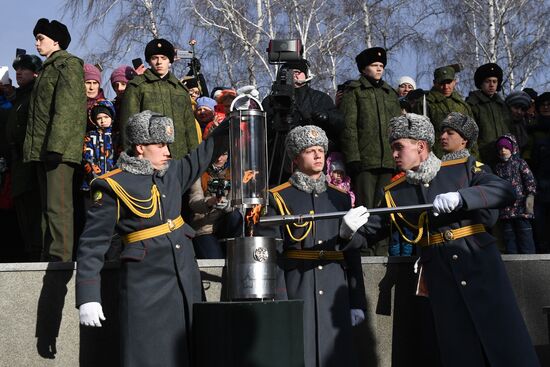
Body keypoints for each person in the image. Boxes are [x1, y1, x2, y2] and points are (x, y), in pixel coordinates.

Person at [360, 113, 540, 367]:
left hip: (479, 264)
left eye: (399, 147)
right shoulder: (395, 192)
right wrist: (349, 229)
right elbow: (370, 231)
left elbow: (505, 190)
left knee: (505, 341)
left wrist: (462, 197)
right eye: (392, 149)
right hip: (440, 275)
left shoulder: (463, 168)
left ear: (421, 146)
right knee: (459, 348)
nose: (394, 155)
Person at [76, 110, 228, 367]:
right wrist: (88, 295)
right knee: (150, 355)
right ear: (140, 147)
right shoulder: (111, 185)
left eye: (168, 145)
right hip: (146, 287)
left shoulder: (173, 172)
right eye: (160, 145)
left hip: (185, 280)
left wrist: (236, 116)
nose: (168, 151)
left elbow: (207, 151)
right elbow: (92, 244)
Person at [257, 125, 368, 367]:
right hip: (298, 284)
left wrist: (357, 299)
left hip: (334, 285)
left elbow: (354, 254)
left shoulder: (339, 197)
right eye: (310, 151)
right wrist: (280, 300)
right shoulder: (278, 197)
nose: (318, 155)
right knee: (300, 354)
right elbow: (270, 255)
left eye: (321, 150)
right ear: (296, 158)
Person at [23, 18, 87, 262]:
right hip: (43, 149)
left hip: (57, 151)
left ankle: (60, 262)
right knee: (47, 210)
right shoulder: (48, 68)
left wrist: (57, 147)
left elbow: (67, 109)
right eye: (36, 39)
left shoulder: (67, 66)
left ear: (56, 41)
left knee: (58, 208)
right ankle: (47, 259)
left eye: (41, 38)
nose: (37, 43)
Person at [339, 47, 401, 255]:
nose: (379, 69)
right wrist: (353, 157)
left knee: (384, 208)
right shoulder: (354, 91)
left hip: (388, 161)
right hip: (365, 160)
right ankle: (365, 251)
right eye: (375, 66)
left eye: (382, 66)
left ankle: (382, 251)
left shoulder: (389, 93)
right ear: (364, 69)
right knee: (364, 208)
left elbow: (397, 128)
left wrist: (398, 156)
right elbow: (349, 127)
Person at [263, 59, 344, 185]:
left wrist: (327, 117)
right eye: (290, 72)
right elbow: (262, 131)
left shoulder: (320, 98)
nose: (294, 75)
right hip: (278, 159)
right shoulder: (270, 101)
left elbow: (340, 125)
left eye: (298, 72)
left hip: (311, 158)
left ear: (306, 75)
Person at [119, 38, 199, 159]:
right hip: (149, 157)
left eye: (163, 58)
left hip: (179, 158)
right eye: (154, 58)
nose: (159, 62)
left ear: (170, 61)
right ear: (149, 61)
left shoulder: (180, 90)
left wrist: (195, 159)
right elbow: (128, 125)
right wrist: (132, 157)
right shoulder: (137, 86)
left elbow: (190, 128)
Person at [4, 54, 43, 261]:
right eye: (17, 69)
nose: (19, 72)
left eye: (24, 69)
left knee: (33, 213)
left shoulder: (35, 95)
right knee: (23, 215)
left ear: (36, 72)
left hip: (31, 164)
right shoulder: (20, 97)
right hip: (18, 163)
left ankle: (36, 254)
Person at [188, 150, 242, 258]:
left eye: (223, 154)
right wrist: (209, 202)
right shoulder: (199, 172)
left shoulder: (236, 173)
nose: (219, 159)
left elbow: (239, 203)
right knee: (214, 261)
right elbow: (194, 201)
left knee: (235, 216)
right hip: (205, 227)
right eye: (216, 154)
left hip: (227, 225)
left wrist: (227, 206)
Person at [413, 65, 472, 157]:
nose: (446, 87)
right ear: (434, 83)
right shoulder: (425, 104)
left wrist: (474, 157)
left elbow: (470, 133)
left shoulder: (462, 105)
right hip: (436, 158)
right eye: (441, 83)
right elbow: (419, 135)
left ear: (454, 82)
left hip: (462, 158)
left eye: (449, 82)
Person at [494, 134, 536, 254]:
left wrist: (530, 195)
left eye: (506, 148)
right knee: (509, 238)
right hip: (506, 209)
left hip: (522, 208)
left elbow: (529, 179)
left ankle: (529, 261)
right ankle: (513, 264)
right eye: (500, 148)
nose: (503, 151)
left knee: (525, 234)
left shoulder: (520, 163)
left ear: (513, 149)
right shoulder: (497, 168)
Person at [466, 63, 512, 168]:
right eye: (488, 81)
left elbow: (510, 131)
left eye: (494, 81)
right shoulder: (473, 104)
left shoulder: (503, 105)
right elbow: (470, 135)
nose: (491, 85)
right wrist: (476, 159)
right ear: (481, 83)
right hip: (483, 158)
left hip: (504, 158)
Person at [528, 92, 550, 253]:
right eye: (543, 104)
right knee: (540, 225)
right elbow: (527, 158)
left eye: (549, 104)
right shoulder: (532, 130)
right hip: (539, 183)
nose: (546, 107)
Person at [81, 100, 118, 193]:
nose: (103, 120)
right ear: (94, 120)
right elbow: (87, 157)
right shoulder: (90, 136)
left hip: (114, 182)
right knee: (95, 205)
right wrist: (95, 176)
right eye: (99, 118)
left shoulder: (116, 136)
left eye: (106, 117)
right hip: (93, 182)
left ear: (112, 117)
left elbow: (120, 157)